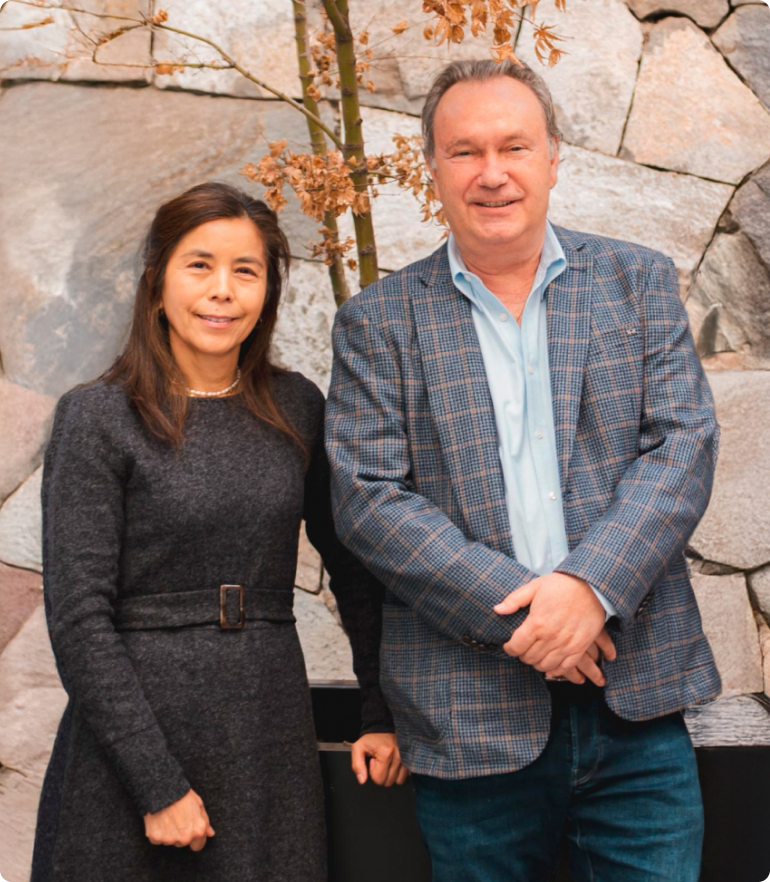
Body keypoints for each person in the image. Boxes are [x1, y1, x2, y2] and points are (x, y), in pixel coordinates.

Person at [325, 59, 720, 882]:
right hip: (470, 722)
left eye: (514, 146)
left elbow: (681, 447)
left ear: (552, 157)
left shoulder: (636, 280)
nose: (493, 173)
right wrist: (531, 623)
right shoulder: (376, 321)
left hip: (636, 702)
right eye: (465, 151)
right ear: (431, 167)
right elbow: (370, 501)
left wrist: (587, 589)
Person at [31, 182, 405, 882]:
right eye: (199, 265)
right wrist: (158, 785)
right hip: (132, 744)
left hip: (266, 727)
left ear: (268, 289)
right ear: (157, 281)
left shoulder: (297, 407)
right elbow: (80, 620)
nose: (222, 291)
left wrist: (380, 710)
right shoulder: (98, 418)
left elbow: (356, 572)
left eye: (246, 270)